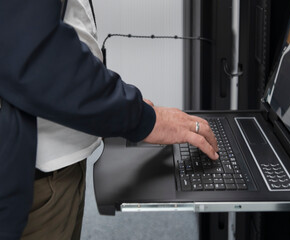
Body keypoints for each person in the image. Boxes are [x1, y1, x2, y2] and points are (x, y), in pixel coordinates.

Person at [0, 0, 218, 239]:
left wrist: (108, 110)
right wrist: (142, 118)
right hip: (34, 172)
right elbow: (34, 54)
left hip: (55, 149)